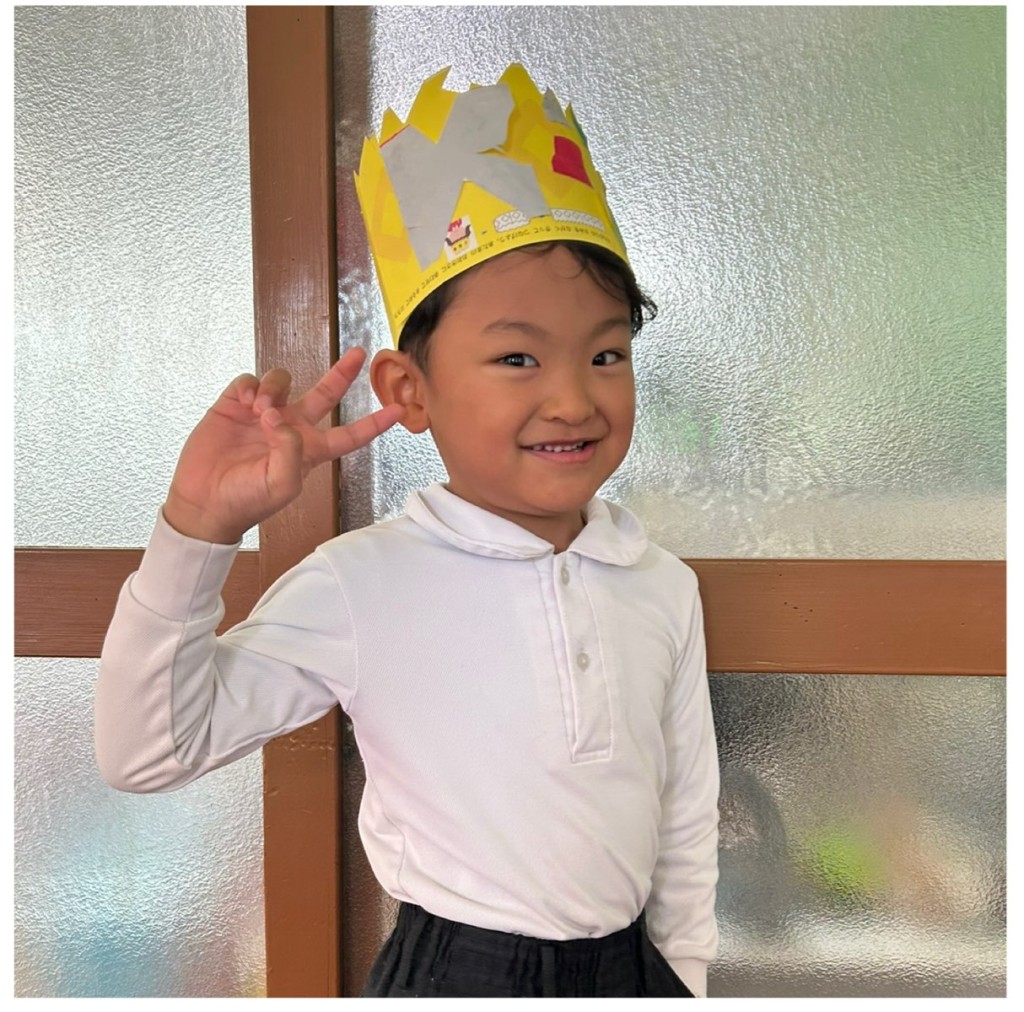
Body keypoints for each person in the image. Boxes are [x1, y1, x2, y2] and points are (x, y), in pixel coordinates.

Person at [95, 64, 719, 998]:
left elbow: (686, 815)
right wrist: (199, 529)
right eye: (518, 357)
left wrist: (687, 979)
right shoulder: (363, 582)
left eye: (606, 353)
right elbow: (148, 752)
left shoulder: (659, 583)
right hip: (458, 973)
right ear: (408, 391)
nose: (573, 398)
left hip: (633, 970)